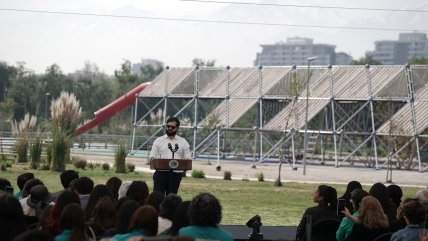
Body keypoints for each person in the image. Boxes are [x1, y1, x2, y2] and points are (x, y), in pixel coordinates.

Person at [149, 116, 192, 194]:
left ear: (177, 128)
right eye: (168, 126)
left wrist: (184, 164)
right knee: (157, 198)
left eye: (173, 127)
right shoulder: (158, 141)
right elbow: (152, 157)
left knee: (171, 199)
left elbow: (188, 159)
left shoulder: (183, 142)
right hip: (160, 174)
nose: (170, 128)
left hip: (176, 175)